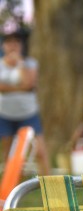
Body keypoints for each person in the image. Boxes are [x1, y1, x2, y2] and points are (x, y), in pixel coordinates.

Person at [0, 31, 50, 175]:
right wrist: (20, 88)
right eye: (9, 43)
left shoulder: (30, 63)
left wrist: (20, 64)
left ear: (22, 45)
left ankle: (49, 184)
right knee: (9, 153)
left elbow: (29, 84)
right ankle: (11, 187)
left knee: (40, 150)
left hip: (28, 113)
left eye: (16, 42)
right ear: (3, 45)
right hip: (5, 113)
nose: (13, 46)